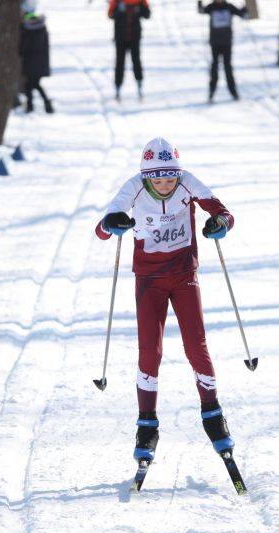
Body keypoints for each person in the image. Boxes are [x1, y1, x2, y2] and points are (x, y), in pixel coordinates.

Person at [94, 137, 237, 467]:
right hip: (149, 281)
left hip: (184, 274)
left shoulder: (187, 182)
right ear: (146, 176)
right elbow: (102, 229)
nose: (164, 184)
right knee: (150, 350)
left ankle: (213, 416)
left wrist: (218, 223)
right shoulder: (134, 187)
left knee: (196, 345)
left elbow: (225, 214)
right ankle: (147, 426)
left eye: (169, 178)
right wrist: (111, 222)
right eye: (157, 179)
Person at [197, 0, 246, 101]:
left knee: (228, 67)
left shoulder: (229, 7)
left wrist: (245, 8)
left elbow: (241, 14)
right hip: (215, 43)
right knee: (214, 67)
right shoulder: (211, 7)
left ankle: (233, 92)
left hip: (227, 42)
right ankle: (212, 91)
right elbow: (201, 11)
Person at [108, 0, 150, 101]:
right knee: (120, 63)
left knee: (136, 61)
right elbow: (110, 14)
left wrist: (139, 10)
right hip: (120, 37)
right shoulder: (117, 1)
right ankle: (118, 88)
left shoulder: (140, 1)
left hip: (134, 37)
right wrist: (121, 12)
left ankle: (139, 86)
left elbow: (147, 14)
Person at [20, 0, 53, 113]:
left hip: (31, 61)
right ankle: (44, 104)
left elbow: (24, 46)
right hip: (41, 62)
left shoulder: (27, 27)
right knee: (33, 84)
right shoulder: (41, 26)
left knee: (31, 84)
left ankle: (33, 106)